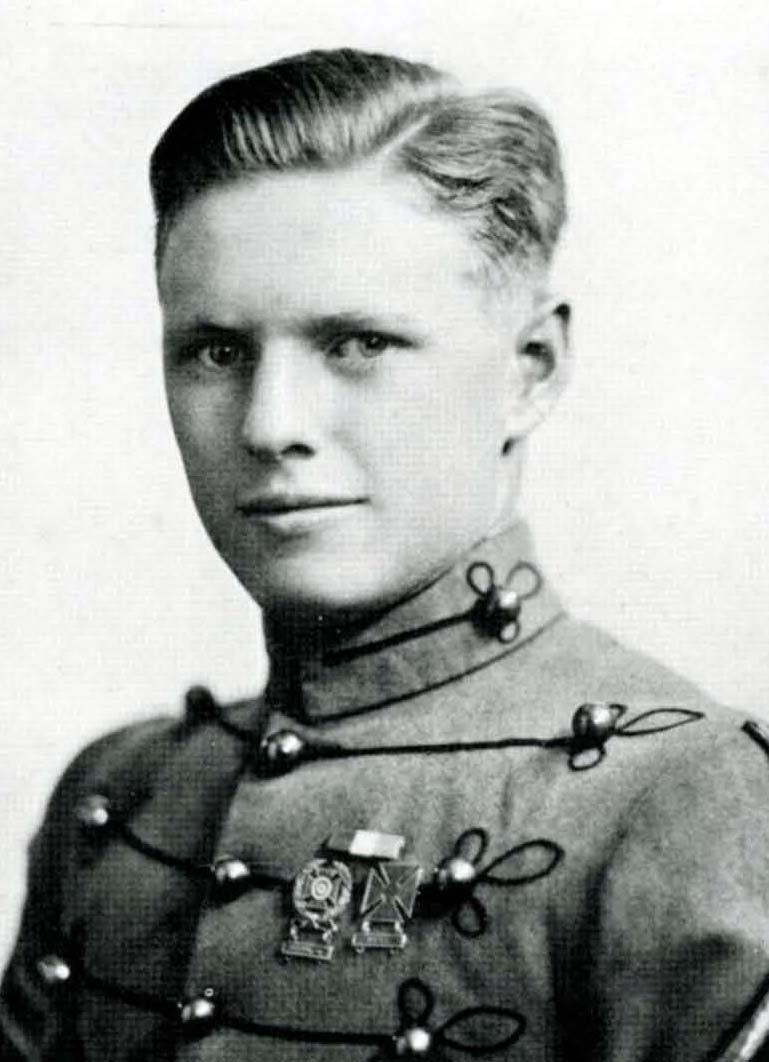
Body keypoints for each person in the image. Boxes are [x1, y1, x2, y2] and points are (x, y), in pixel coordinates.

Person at [2, 45, 769, 1062]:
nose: (270, 425)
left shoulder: (679, 800)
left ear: (531, 370)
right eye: (217, 351)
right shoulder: (123, 794)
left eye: (358, 344)